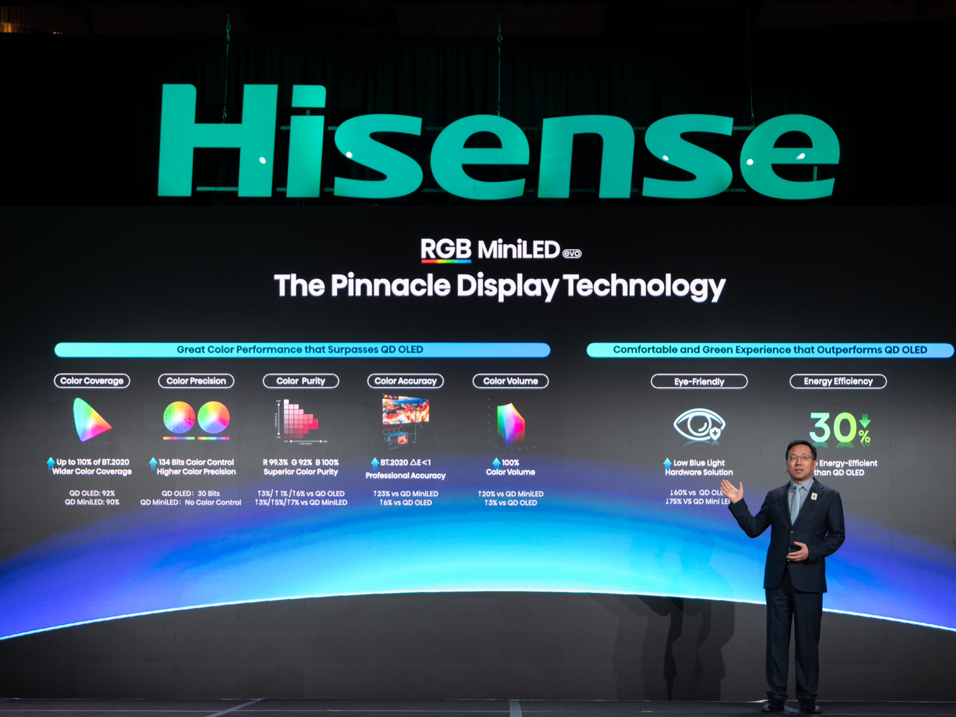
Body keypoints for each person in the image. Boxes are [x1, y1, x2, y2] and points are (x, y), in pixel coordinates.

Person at [720, 439, 845, 715]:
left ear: (815, 463)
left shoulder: (829, 496)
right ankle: (776, 697)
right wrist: (738, 504)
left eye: (804, 457)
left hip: (808, 579)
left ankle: (807, 698)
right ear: (786, 464)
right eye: (792, 457)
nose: (798, 462)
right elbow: (754, 528)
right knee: (776, 641)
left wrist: (812, 551)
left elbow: (837, 536)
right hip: (777, 580)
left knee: (807, 643)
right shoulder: (774, 496)